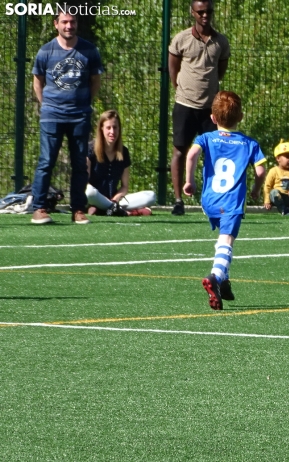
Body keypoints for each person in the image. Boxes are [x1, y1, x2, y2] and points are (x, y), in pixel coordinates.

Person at [184, 91, 267, 310]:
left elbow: (191, 155)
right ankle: (215, 277)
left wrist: (189, 181)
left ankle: (225, 283)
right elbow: (260, 172)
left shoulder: (206, 138)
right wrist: (257, 190)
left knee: (223, 239)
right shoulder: (249, 144)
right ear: (240, 118)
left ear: (212, 118)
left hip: (209, 200)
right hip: (231, 202)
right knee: (227, 241)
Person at [30, 10, 102, 225]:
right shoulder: (46, 51)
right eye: (64, 22)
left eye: (72, 22)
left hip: (80, 116)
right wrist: (47, 106)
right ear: (56, 24)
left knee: (80, 164)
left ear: (76, 23)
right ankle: (39, 208)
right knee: (46, 162)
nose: (68, 26)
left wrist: (85, 103)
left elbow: (95, 81)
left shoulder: (89, 50)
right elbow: (37, 81)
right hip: (52, 116)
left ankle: (78, 210)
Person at [169, 0, 230, 216]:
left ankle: (212, 200)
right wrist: (181, 89)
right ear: (193, 13)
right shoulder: (181, 39)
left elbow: (220, 71)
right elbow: (173, 67)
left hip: (209, 109)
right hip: (184, 105)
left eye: (208, 11)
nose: (205, 15)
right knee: (179, 150)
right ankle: (178, 200)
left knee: (214, 153)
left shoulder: (220, 41)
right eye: (201, 12)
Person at [85, 110, 156, 217]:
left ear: (119, 129)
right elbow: (85, 183)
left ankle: (107, 209)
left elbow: (125, 187)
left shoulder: (124, 152)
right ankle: (125, 213)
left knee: (151, 196)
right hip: (94, 198)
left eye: (115, 127)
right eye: (108, 128)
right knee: (89, 192)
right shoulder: (90, 149)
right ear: (101, 129)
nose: (112, 132)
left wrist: (114, 200)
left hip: (115, 200)